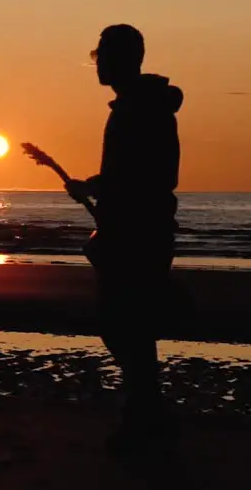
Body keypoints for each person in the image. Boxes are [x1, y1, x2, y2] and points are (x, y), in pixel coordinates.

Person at [66, 23, 185, 451]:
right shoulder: (135, 107)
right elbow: (133, 174)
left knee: (125, 327)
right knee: (129, 329)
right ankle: (147, 417)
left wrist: (98, 188)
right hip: (134, 230)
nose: (97, 63)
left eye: (102, 55)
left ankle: (144, 421)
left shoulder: (142, 110)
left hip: (138, 234)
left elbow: (149, 176)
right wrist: (96, 187)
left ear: (126, 59)